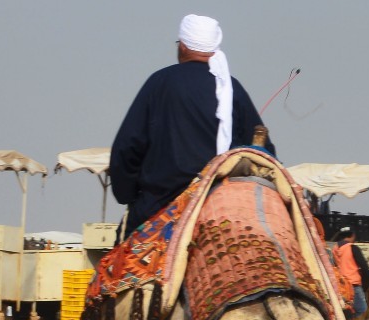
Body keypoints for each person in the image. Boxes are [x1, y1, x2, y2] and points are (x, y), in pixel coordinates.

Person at [108, 14, 274, 234]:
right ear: (214, 50)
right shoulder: (232, 89)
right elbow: (264, 155)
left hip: (157, 210)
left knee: (117, 265)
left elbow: (127, 148)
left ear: (183, 46)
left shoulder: (159, 84)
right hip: (223, 211)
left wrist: (127, 195)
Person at [331, 230, 367, 315]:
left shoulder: (335, 249)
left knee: (345, 312)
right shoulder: (353, 248)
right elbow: (364, 267)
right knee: (362, 312)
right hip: (353, 286)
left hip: (341, 286)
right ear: (352, 235)